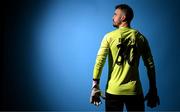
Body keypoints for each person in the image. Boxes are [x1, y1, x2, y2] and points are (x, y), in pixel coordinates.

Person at [90, 4, 160, 112]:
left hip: (113, 91)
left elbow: (100, 61)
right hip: (135, 92)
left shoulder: (109, 37)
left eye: (115, 14)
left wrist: (95, 86)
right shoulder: (140, 38)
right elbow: (150, 65)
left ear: (123, 17)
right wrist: (153, 89)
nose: (112, 17)